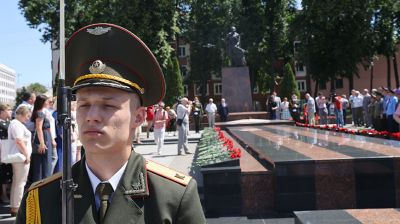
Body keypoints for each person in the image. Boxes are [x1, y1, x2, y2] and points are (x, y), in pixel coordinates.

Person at [16, 23, 205, 224]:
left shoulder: (173, 196)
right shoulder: (41, 199)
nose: (92, 116)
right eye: (84, 105)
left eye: (107, 106)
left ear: (139, 117)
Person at [8, 105, 32, 216]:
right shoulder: (16, 124)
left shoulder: (15, 123)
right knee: (20, 182)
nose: (28, 118)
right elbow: (19, 141)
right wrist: (27, 155)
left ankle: (14, 206)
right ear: (21, 114)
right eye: (27, 116)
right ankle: (17, 207)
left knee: (17, 182)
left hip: (19, 156)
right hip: (21, 157)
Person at [30, 95, 53, 182]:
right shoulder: (40, 113)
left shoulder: (37, 112)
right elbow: (39, 128)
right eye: (46, 101)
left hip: (43, 137)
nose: (48, 103)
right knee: (44, 164)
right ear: (42, 102)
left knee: (41, 164)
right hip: (43, 137)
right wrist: (42, 143)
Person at [0, 104, 12, 203]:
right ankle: (3, 194)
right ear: (2, 111)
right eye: (8, 110)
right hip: (2, 151)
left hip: (9, 151)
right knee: (3, 174)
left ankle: (7, 192)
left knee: (8, 173)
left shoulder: (9, 122)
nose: (10, 111)